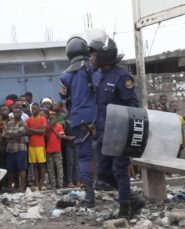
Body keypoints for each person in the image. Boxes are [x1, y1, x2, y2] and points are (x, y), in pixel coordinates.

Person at [89, 34, 145, 219]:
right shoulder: (98, 76)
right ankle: (133, 199)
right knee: (104, 173)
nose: (91, 58)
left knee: (120, 171)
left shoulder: (122, 76)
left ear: (104, 55)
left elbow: (133, 105)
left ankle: (125, 210)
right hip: (103, 134)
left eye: (93, 54)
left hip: (119, 132)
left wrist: (129, 132)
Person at [59, 36, 99, 208]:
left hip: (77, 121)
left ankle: (90, 198)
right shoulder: (93, 69)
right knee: (107, 155)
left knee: (83, 159)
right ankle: (123, 193)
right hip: (97, 118)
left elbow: (62, 96)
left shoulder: (65, 75)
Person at [2, 106, 27, 192]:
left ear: (21, 113)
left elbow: (20, 132)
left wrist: (10, 134)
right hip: (10, 149)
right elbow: (4, 134)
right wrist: (14, 135)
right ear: (12, 113)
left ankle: (22, 186)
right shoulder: (9, 123)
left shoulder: (23, 123)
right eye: (15, 112)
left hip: (20, 149)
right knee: (9, 170)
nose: (16, 114)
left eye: (18, 112)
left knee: (21, 169)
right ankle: (10, 186)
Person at [26, 103, 47, 191]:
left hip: (40, 145)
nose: (33, 110)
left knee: (41, 165)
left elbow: (42, 131)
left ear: (39, 109)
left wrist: (31, 130)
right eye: (32, 109)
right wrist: (37, 130)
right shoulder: (28, 120)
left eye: (35, 109)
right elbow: (26, 132)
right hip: (31, 145)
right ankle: (36, 183)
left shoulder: (42, 119)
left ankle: (42, 183)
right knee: (34, 165)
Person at [62, 100, 81, 188]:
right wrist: (67, 137)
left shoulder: (78, 117)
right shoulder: (64, 119)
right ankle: (69, 181)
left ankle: (77, 181)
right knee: (70, 163)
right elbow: (61, 132)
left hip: (77, 143)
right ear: (68, 108)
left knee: (77, 163)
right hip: (68, 144)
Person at [46, 113, 64, 189]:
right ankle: (53, 184)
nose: (51, 120)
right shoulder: (47, 128)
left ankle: (60, 184)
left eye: (53, 118)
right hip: (49, 151)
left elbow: (60, 137)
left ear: (56, 119)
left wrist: (53, 129)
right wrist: (49, 129)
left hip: (57, 151)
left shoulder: (59, 127)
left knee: (59, 168)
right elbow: (46, 139)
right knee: (51, 169)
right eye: (50, 119)